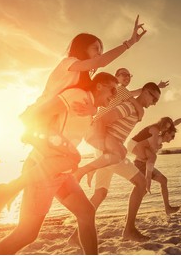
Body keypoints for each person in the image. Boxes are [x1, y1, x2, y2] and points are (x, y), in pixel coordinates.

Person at [0, 15, 147, 229]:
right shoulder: (69, 63)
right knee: (71, 157)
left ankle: (12, 192)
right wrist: (129, 43)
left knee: (59, 162)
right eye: (96, 48)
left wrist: (93, 108)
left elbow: (92, 98)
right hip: (39, 119)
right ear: (82, 48)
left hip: (49, 124)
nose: (99, 54)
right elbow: (99, 64)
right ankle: (8, 190)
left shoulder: (83, 79)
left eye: (101, 49)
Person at [0, 72, 119, 255]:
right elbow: (40, 116)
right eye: (112, 89)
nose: (114, 95)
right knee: (26, 234)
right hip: (43, 168)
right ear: (99, 86)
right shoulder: (78, 95)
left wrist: (94, 116)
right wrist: (62, 146)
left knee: (86, 213)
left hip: (60, 171)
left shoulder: (89, 108)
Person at [68, 82, 162, 245]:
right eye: (154, 98)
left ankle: (76, 237)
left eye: (156, 102)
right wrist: (105, 149)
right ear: (146, 92)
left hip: (108, 152)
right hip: (111, 152)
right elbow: (101, 121)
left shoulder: (136, 110)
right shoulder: (129, 107)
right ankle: (129, 230)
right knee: (141, 184)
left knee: (100, 194)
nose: (154, 104)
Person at [72, 67, 169, 185]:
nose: (127, 77)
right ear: (116, 77)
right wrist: (140, 110)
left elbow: (137, 93)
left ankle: (91, 168)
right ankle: (84, 170)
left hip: (99, 123)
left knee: (118, 154)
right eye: (124, 75)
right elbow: (137, 97)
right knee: (121, 153)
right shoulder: (120, 90)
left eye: (129, 75)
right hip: (98, 125)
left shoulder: (122, 93)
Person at [131, 109, 181, 215]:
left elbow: (175, 123)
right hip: (140, 164)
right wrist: (148, 178)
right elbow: (147, 156)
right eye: (172, 136)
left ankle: (167, 208)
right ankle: (130, 214)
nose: (173, 139)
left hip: (145, 165)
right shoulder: (156, 138)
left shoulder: (161, 137)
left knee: (163, 181)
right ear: (166, 134)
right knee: (142, 190)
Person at [127, 117, 174, 193]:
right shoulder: (155, 130)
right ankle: (148, 179)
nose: (166, 129)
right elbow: (154, 145)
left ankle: (147, 179)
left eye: (167, 128)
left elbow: (176, 123)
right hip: (134, 145)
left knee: (148, 158)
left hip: (137, 145)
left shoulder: (159, 130)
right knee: (152, 157)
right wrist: (159, 146)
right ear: (162, 123)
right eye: (165, 127)